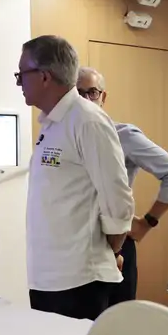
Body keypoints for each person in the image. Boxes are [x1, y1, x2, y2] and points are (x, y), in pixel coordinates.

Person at [19, 36, 134, 320]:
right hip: (48, 278)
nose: (19, 82)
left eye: (22, 74)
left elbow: (118, 199)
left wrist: (110, 250)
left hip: (80, 281)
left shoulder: (87, 120)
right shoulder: (52, 122)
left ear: (44, 76)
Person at [76, 67, 168, 305]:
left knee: (116, 320)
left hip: (115, 244)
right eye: (78, 93)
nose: (86, 99)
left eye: (92, 92)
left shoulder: (123, 135)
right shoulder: (66, 136)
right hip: (78, 246)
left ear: (103, 97)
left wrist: (147, 223)